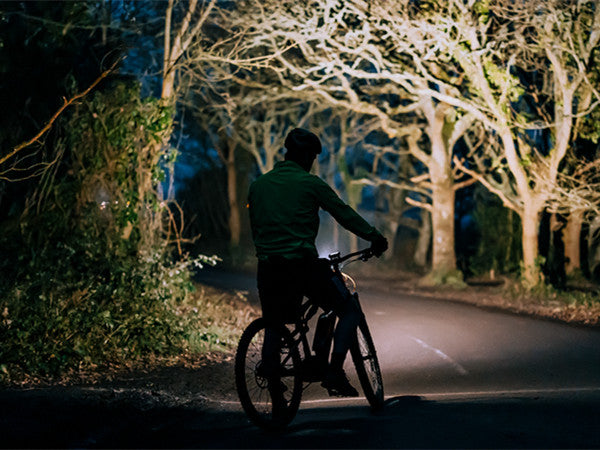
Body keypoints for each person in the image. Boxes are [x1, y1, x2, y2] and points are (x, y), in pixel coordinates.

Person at [247, 128, 388, 397]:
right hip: (301, 266)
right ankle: (333, 371)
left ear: (286, 152)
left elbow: (256, 227)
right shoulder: (311, 184)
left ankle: (273, 381)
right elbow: (343, 214)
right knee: (348, 310)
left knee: (274, 322)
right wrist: (375, 237)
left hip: (267, 268)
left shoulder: (258, 186)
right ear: (310, 156)